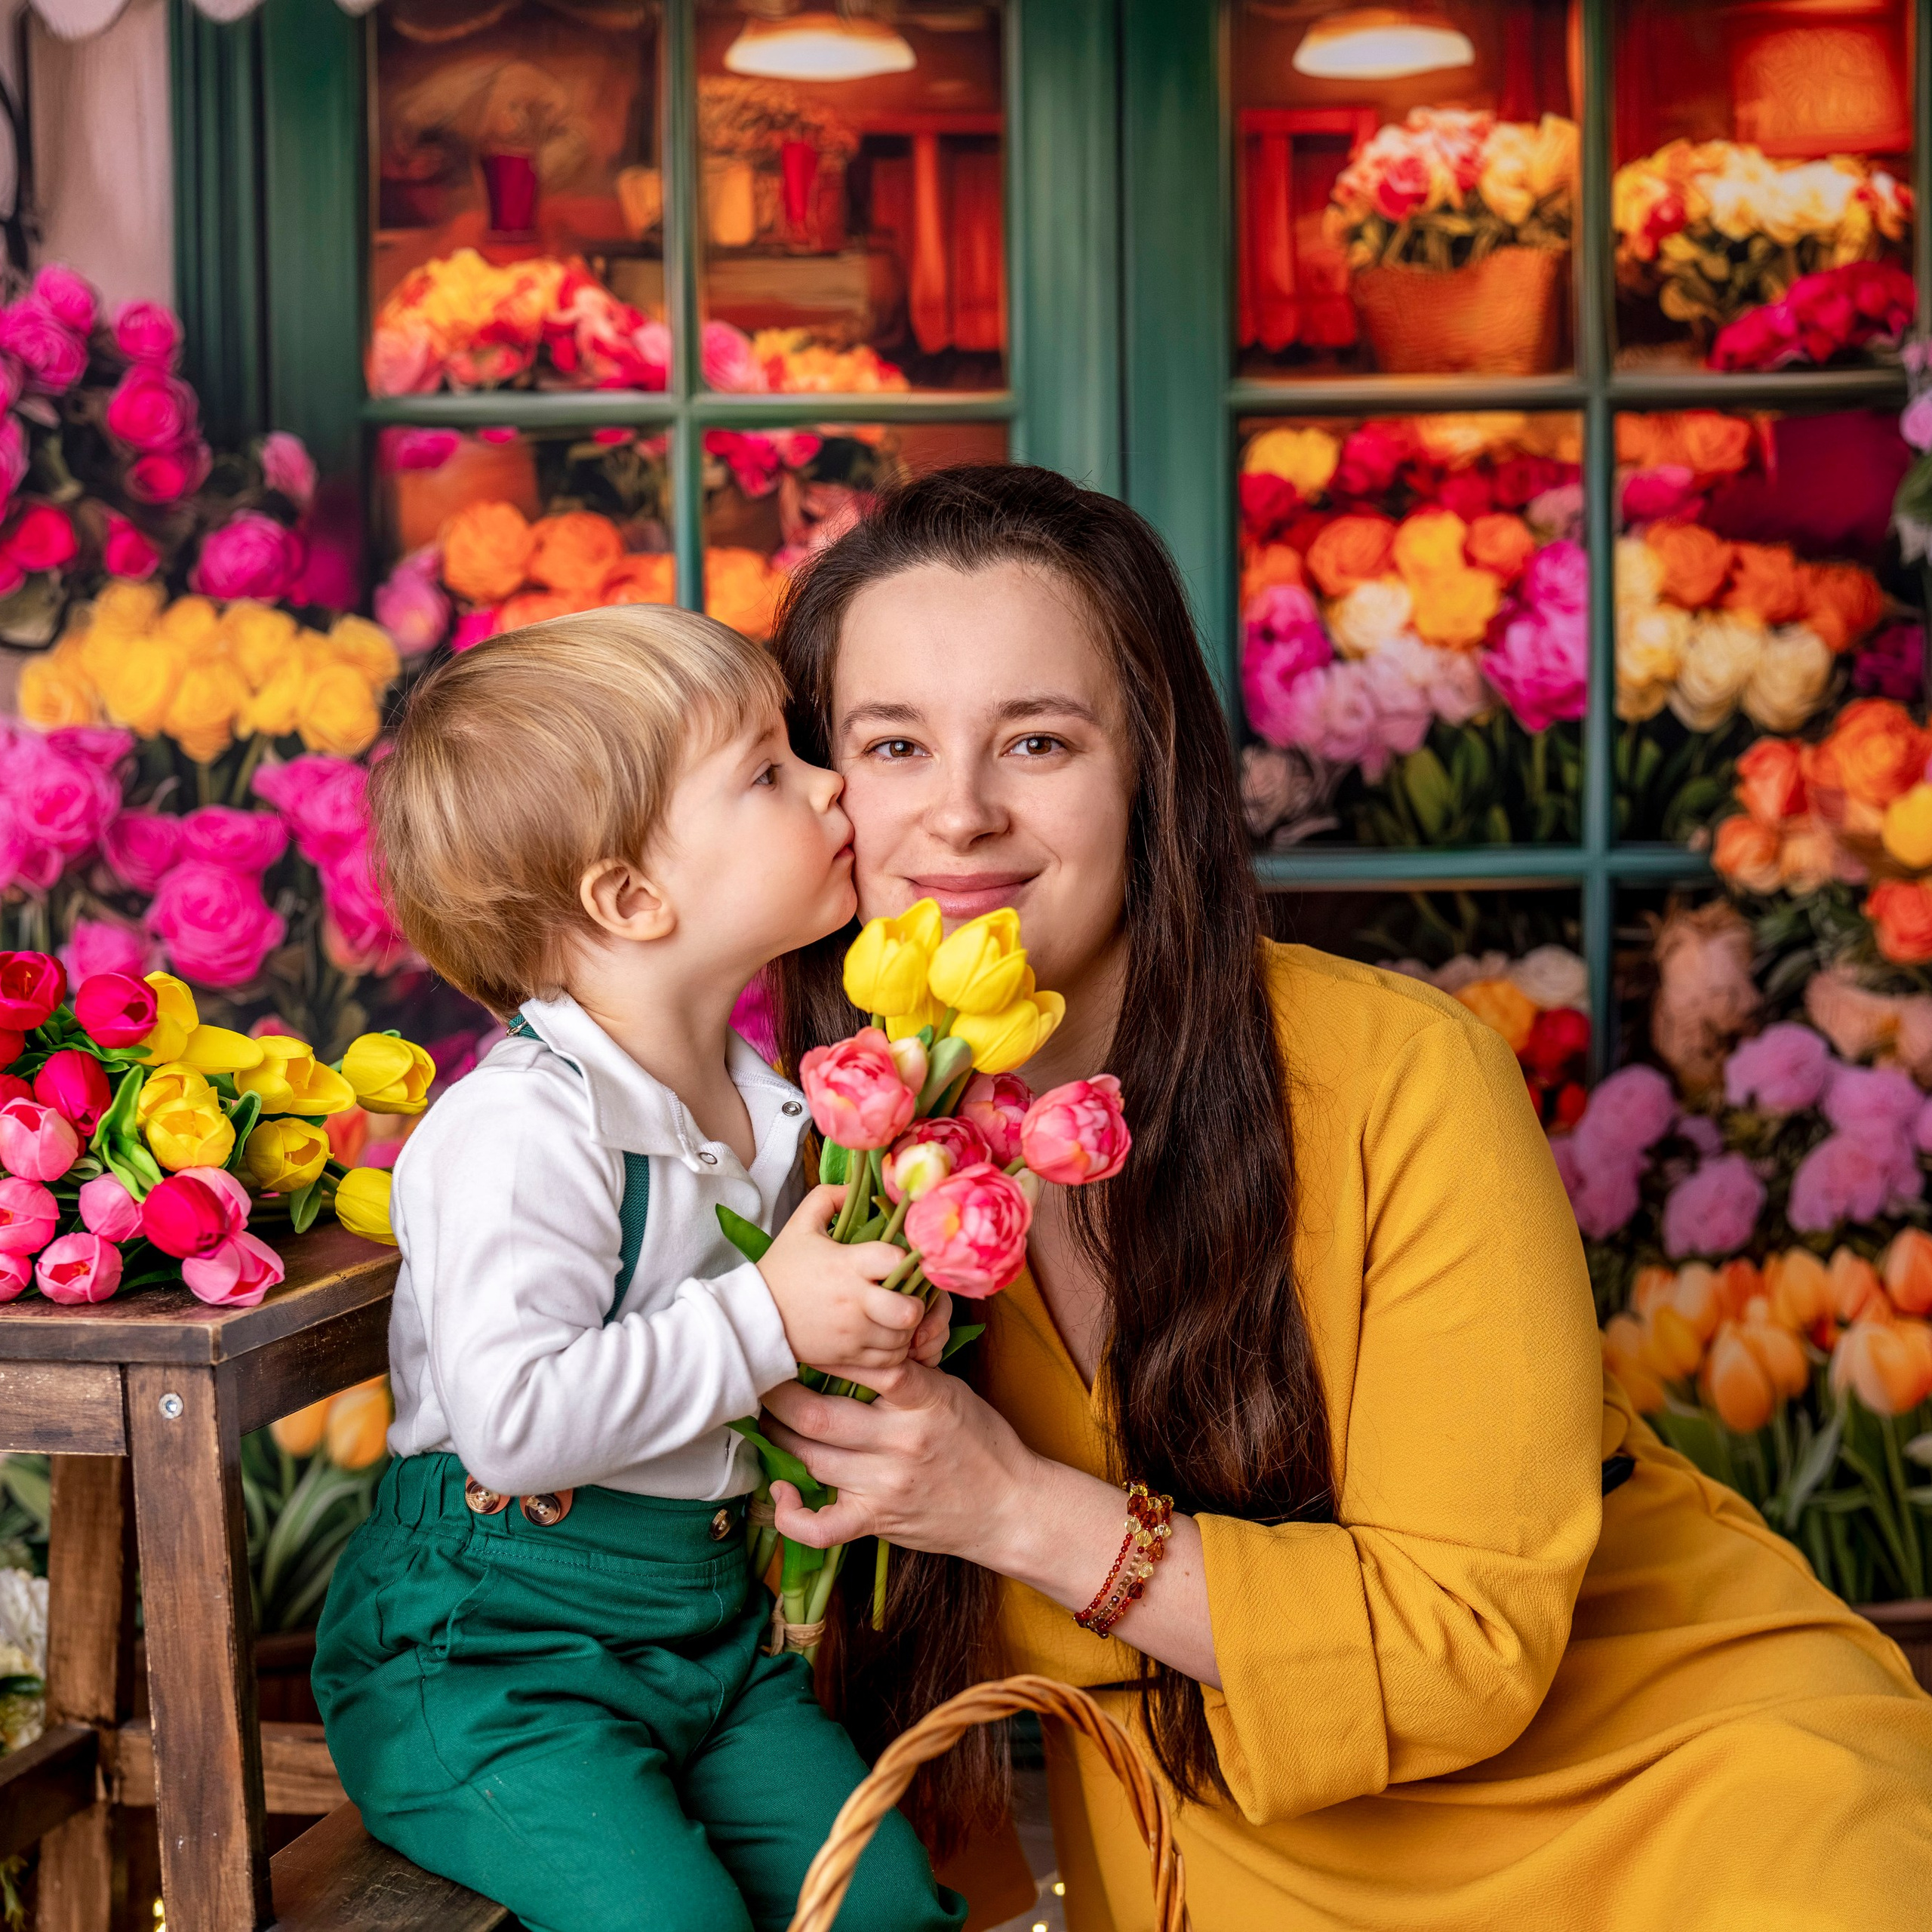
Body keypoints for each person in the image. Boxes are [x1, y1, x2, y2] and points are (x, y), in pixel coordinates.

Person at [758, 466, 1932, 1931]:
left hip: (1664, 1783)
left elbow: (1469, 1644)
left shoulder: (1402, 1073)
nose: (961, 812)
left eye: (1038, 738)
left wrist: (1009, 1508)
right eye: (891, 743)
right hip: (1232, 1862)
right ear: (823, 791)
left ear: (1148, 768)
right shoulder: (829, 1162)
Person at [310, 609, 964, 1932]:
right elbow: (517, 1422)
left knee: (884, 1903)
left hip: (707, 1638)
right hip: (492, 1655)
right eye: (771, 771)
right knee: (669, 1922)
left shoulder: (766, 1105)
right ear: (629, 899)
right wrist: (775, 1313)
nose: (834, 781)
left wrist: (869, 1326)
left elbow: (759, 1360)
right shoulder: (517, 1131)